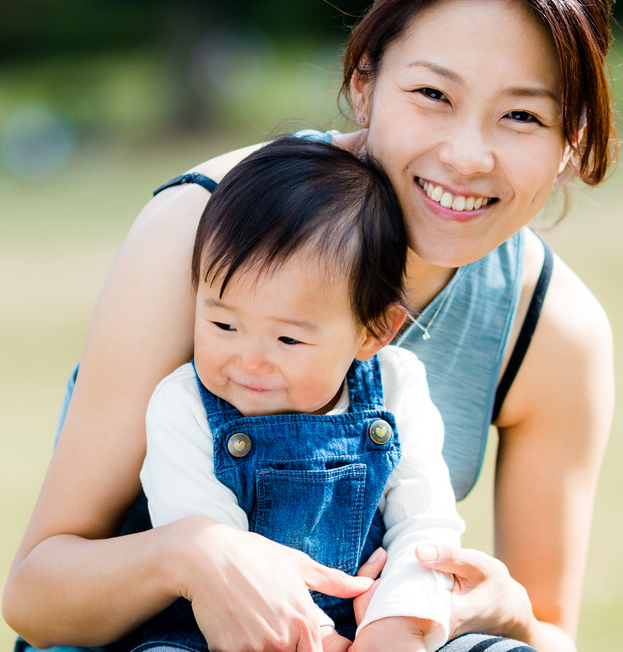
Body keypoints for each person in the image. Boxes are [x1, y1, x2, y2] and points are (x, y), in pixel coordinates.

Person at [3, 0, 617, 651]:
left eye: (521, 115)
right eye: (432, 94)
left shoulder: (550, 327)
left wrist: (506, 610)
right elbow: (36, 594)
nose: (466, 155)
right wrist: (193, 555)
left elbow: (551, 635)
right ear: (364, 83)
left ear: (570, 140)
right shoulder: (202, 228)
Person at [128, 136, 464, 652]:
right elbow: (218, 557)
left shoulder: (396, 387)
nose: (251, 359)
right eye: (222, 323)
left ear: (372, 331)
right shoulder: (184, 406)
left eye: (288, 338)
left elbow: (426, 525)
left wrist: (396, 627)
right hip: (225, 629)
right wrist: (321, 642)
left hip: (377, 619)